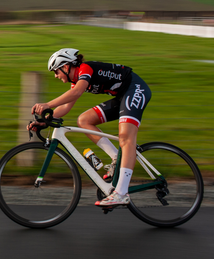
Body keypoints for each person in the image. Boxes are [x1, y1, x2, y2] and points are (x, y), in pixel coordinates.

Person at [28, 48, 152, 207]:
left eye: (56, 71)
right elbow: (66, 106)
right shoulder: (76, 81)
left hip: (135, 89)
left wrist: (47, 104)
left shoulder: (85, 69)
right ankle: (116, 159)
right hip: (122, 95)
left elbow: (77, 92)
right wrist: (44, 121)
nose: (55, 75)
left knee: (126, 137)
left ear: (66, 67)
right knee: (84, 120)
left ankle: (121, 193)